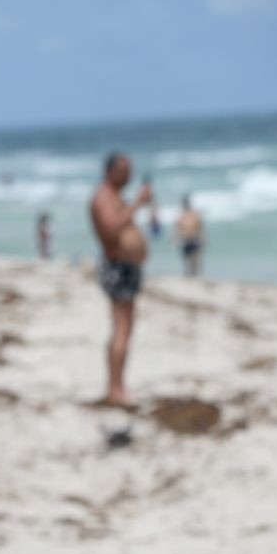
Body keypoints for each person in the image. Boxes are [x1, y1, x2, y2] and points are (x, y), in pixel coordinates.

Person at [89, 152, 152, 408]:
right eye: (124, 172)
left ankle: (116, 385)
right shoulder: (102, 196)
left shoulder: (113, 196)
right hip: (117, 267)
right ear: (110, 172)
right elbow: (111, 229)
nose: (128, 177)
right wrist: (137, 203)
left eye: (129, 172)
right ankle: (116, 388)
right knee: (121, 330)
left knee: (124, 329)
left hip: (126, 267)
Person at [177, 197, 204, 277]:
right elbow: (178, 228)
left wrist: (202, 238)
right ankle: (189, 274)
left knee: (194, 257)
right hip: (186, 238)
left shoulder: (194, 214)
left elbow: (199, 227)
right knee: (187, 258)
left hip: (193, 238)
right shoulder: (182, 215)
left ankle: (194, 274)